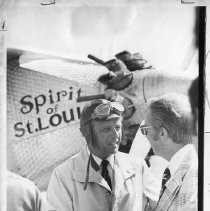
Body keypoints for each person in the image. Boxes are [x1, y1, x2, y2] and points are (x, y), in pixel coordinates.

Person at [47, 99, 159, 211]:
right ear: (87, 133)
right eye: (106, 129)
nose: (115, 136)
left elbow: (159, 206)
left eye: (117, 128)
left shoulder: (138, 166)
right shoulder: (63, 176)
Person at [140, 93, 198, 211]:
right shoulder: (184, 169)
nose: (145, 136)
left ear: (162, 133)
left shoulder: (193, 177)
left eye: (145, 130)